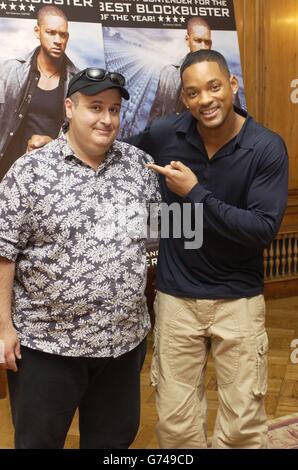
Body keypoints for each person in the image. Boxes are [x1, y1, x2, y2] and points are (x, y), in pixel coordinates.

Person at [128, 50, 288, 449]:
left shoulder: (266, 147)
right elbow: (113, 149)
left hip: (239, 300)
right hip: (175, 298)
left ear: (232, 85)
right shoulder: (166, 134)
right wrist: (57, 141)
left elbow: (261, 230)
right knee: (176, 425)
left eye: (214, 87)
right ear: (184, 98)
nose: (206, 99)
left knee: (241, 427)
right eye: (194, 92)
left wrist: (195, 193)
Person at [0, 68, 160, 449]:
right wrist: (3, 327)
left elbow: (158, 239)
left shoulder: (140, 166)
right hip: (46, 348)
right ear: (69, 108)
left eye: (115, 109)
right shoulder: (31, 171)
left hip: (122, 345)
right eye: (95, 107)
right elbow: (2, 251)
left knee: (113, 444)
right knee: (39, 443)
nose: (107, 119)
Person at [0, 5, 78, 181]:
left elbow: (83, 140)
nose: (58, 40)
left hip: (53, 179)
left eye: (63, 34)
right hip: (8, 176)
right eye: (51, 32)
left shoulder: (77, 82)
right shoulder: (8, 71)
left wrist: (53, 144)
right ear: (37, 31)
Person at [149, 17, 241, 122]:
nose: (203, 47)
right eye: (198, 40)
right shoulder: (167, 73)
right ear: (187, 40)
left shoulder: (225, 81)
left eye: (207, 42)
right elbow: (155, 114)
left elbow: (235, 122)